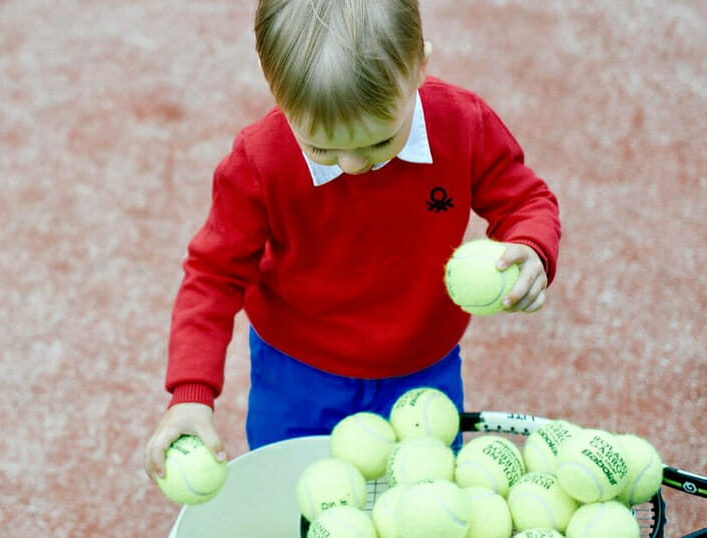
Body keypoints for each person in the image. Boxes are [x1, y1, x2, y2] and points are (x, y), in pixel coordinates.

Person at [144, 0, 560, 479]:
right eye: (322, 148)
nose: (353, 166)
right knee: (298, 496)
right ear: (269, 77)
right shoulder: (258, 163)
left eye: (381, 142)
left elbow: (526, 201)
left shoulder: (462, 122)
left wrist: (531, 245)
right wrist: (190, 395)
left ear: (419, 67)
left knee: (423, 507)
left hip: (424, 372)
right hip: (297, 376)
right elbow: (212, 277)